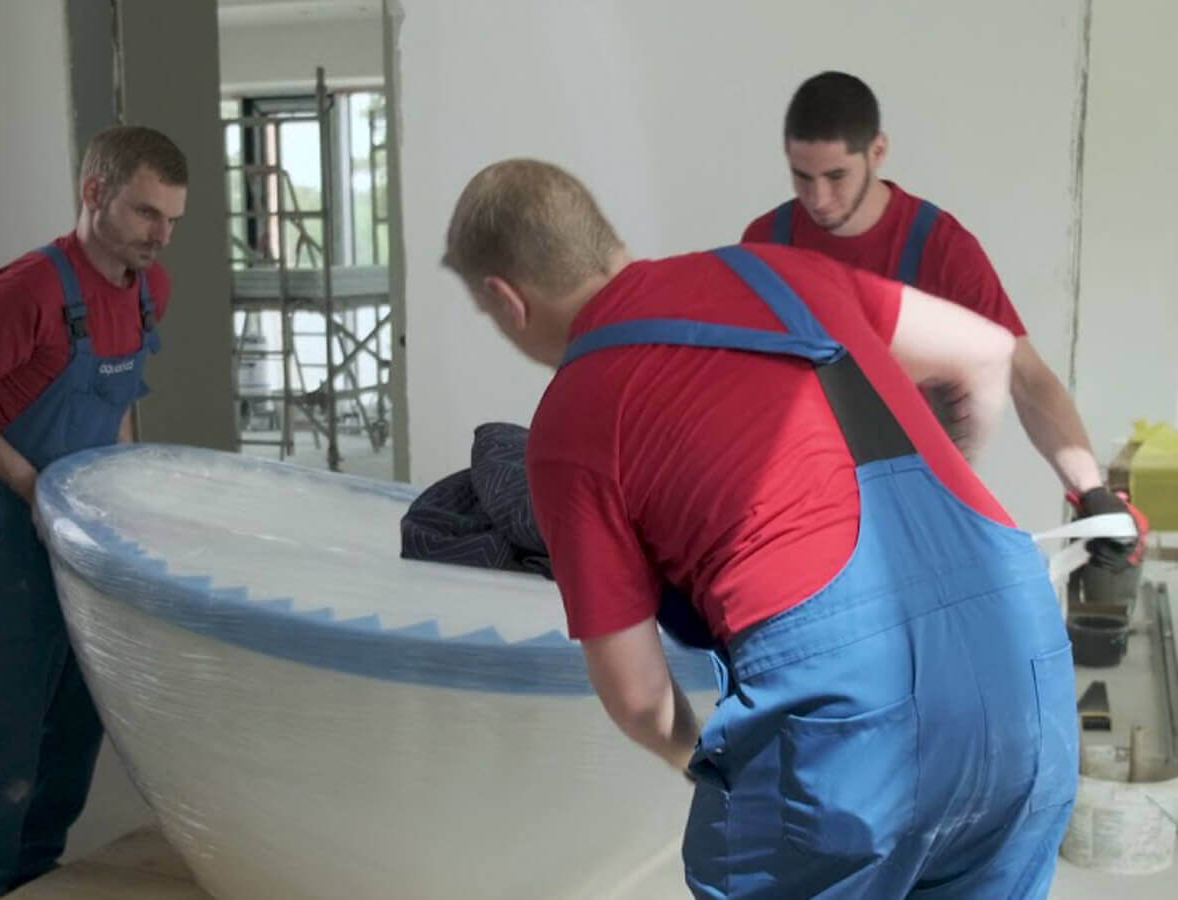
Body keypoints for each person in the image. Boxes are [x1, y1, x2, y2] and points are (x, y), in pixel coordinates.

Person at [442, 159, 1078, 898]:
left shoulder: (573, 418)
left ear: (505, 299)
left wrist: (705, 763)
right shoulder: (782, 271)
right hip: (1024, 661)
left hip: (847, 716)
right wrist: (933, 527)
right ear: (602, 236)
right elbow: (984, 354)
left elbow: (640, 697)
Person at [0, 125, 188, 900]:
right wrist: (31, 486)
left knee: (76, 723)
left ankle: (36, 876)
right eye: (145, 214)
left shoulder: (147, 286)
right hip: (17, 532)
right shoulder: (27, 291)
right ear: (93, 193)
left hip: (95, 536)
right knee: (8, 730)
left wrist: (128, 498)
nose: (160, 237)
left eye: (172, 220)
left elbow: (118, 400)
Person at [742, 71, 1144, 571]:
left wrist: (1090, 490)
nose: (819, 198)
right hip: (803, 509)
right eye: (802, 177)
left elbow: (1027, 377)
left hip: (915, 508)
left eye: (836, 176)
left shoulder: (942, 248)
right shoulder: (765, 242)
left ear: (878, 151)